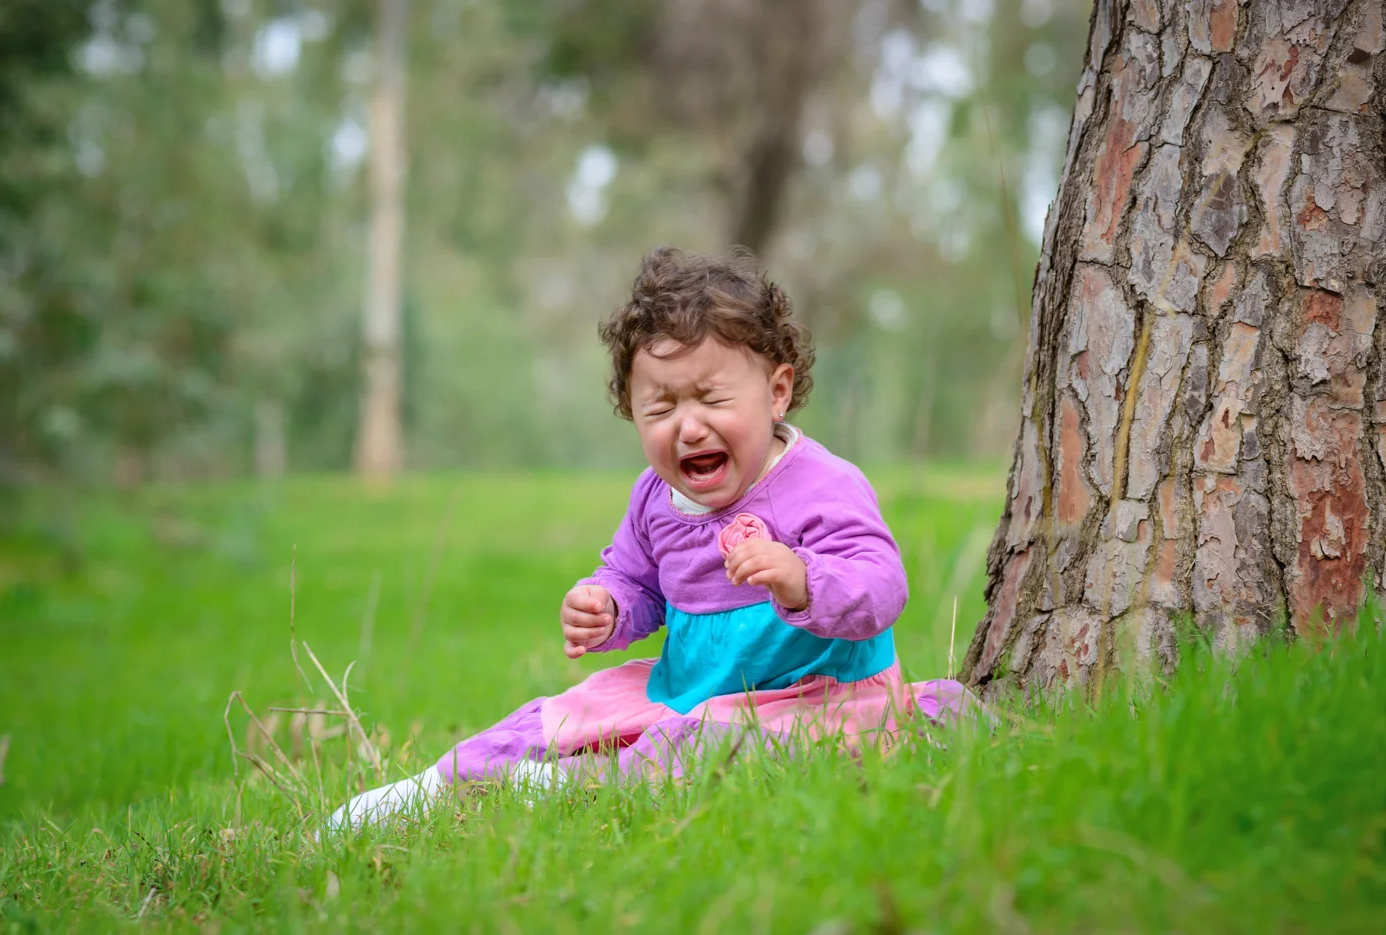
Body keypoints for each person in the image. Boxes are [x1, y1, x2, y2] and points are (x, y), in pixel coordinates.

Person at [329, 248, 980, 831]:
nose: (688, 427)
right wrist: (608, 606)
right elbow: (635, 581)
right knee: (564, 712)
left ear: (776, 392)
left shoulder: (822, 485)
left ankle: (569, 790)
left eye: (711, 398)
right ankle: (432, 785)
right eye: (661, 408)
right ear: (633, 411)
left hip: (816, 698)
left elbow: (882, 584)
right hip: (689, 687)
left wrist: (801, 575)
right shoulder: (654, 497)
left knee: (707, 748)